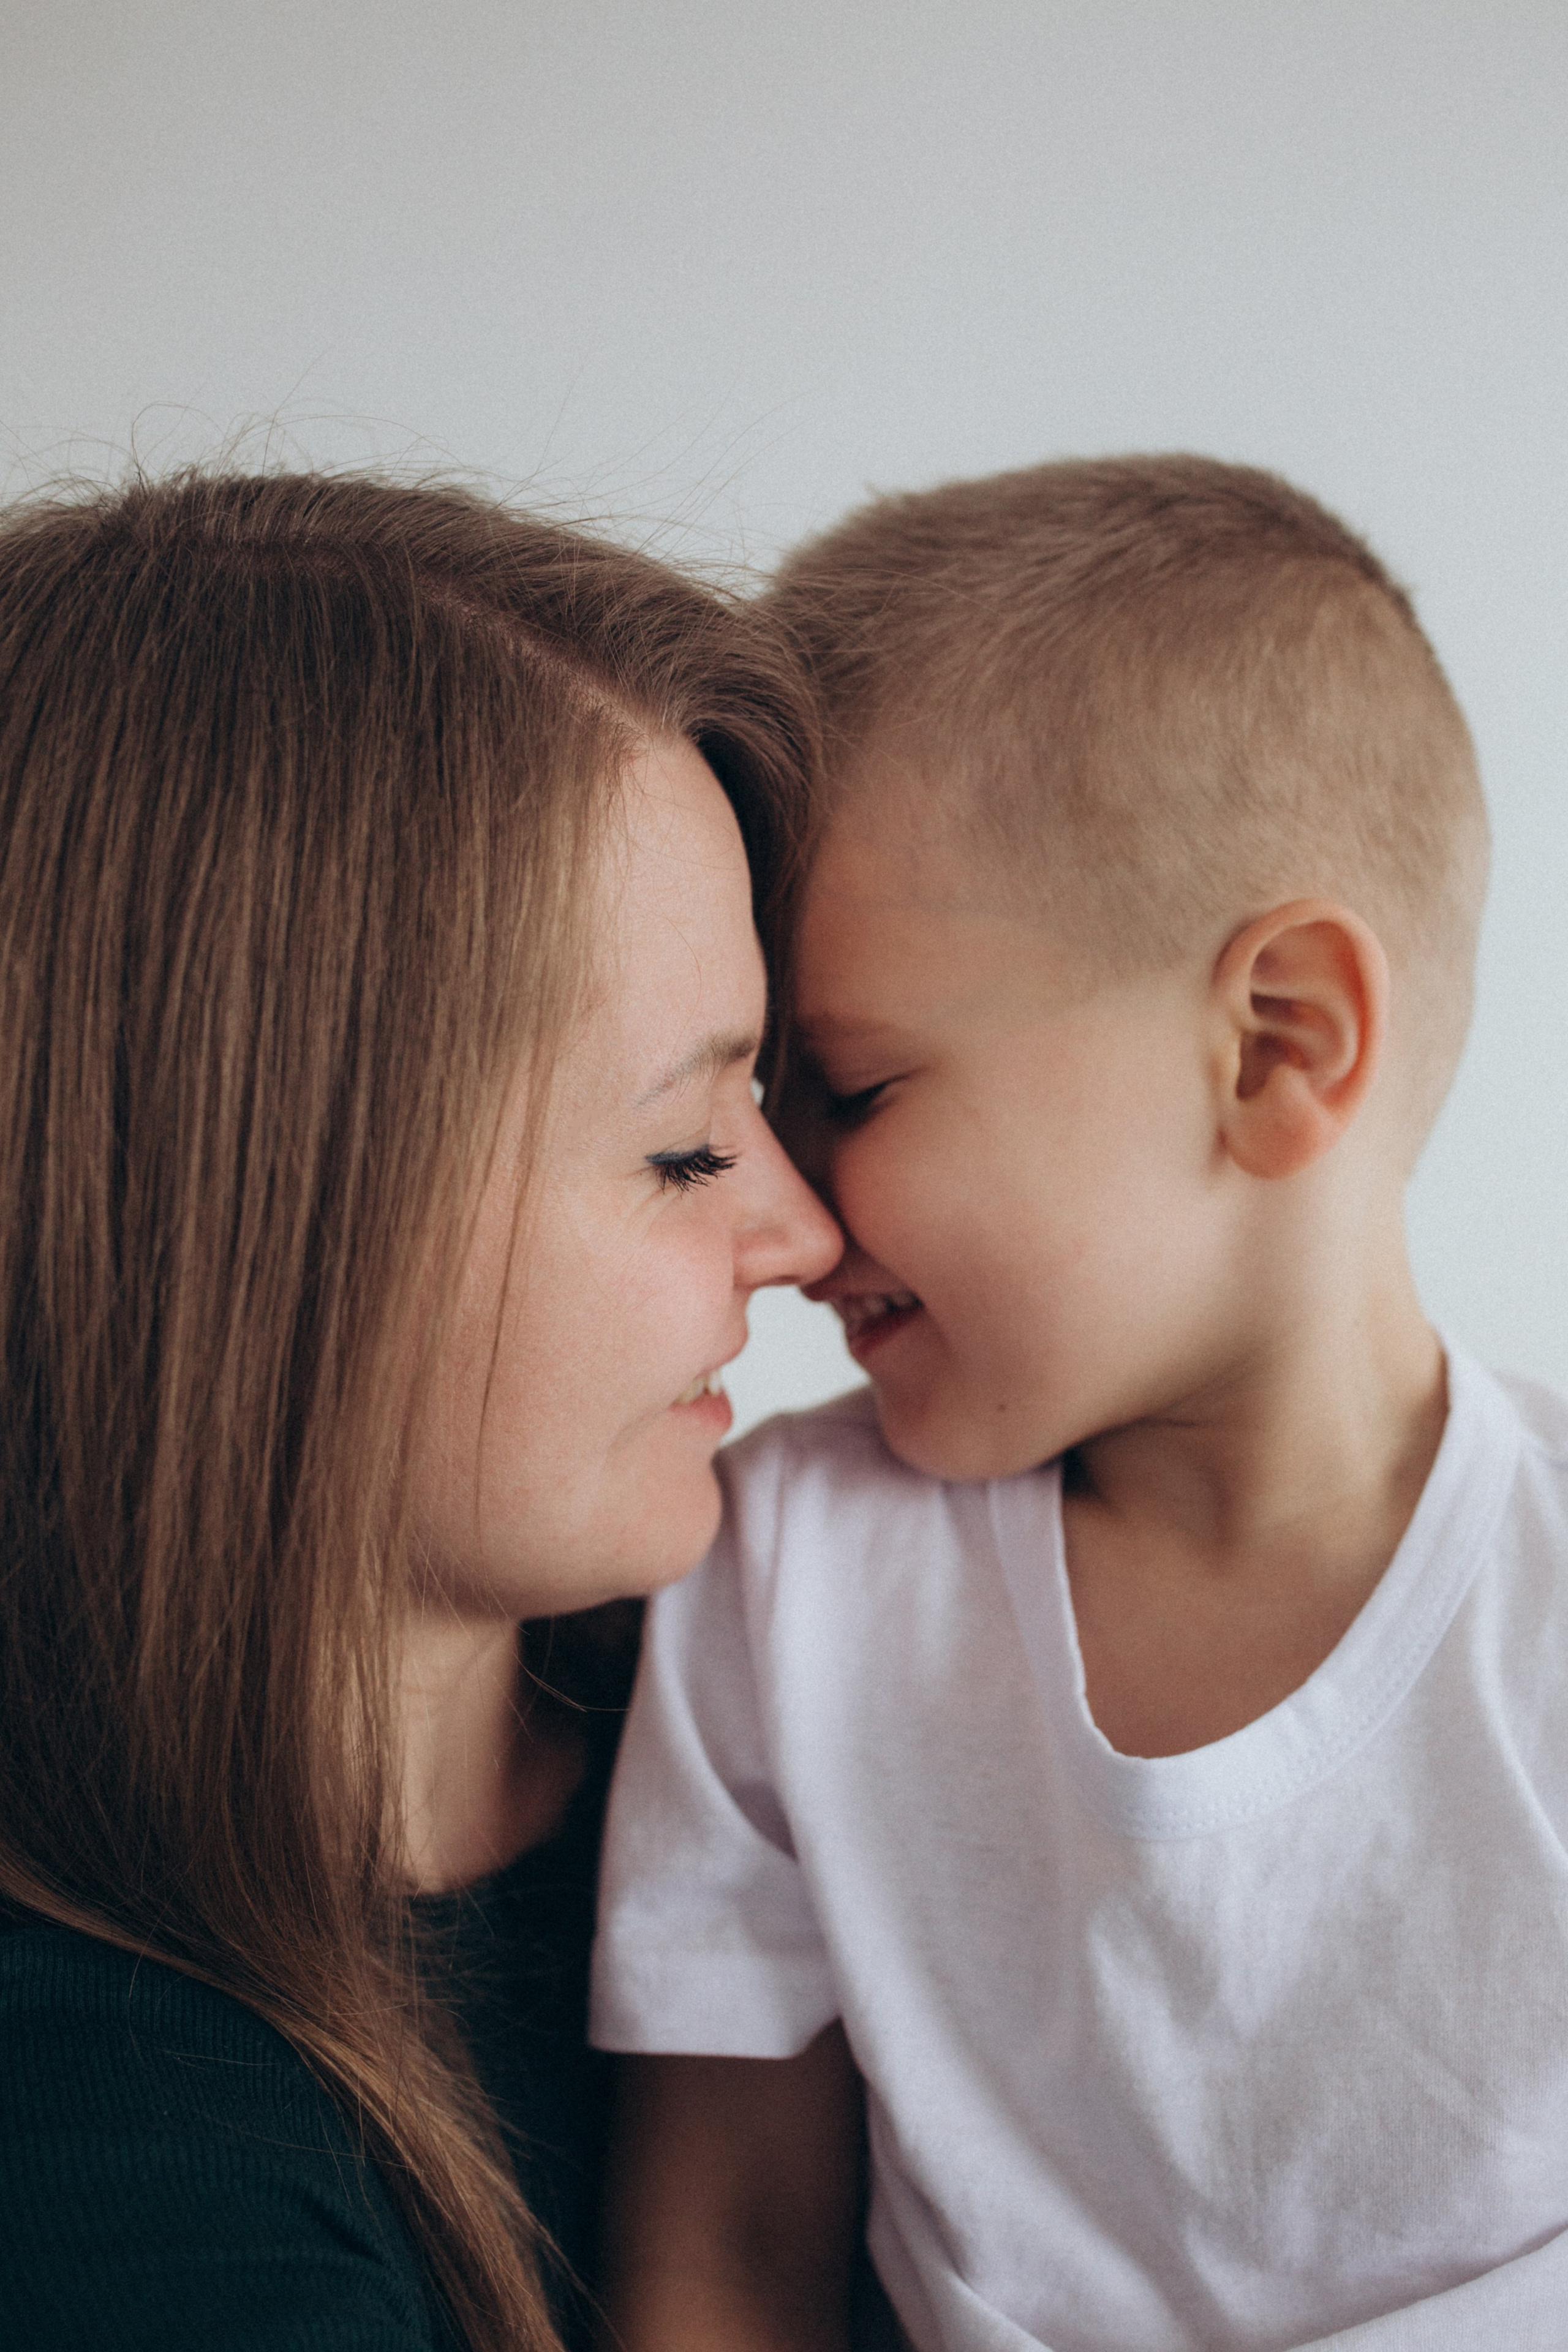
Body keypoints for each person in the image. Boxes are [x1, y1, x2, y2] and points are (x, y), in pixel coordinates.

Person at [590, 456, 1568, 2348]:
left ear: (1278, 1047)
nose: (787, 1211)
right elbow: (722, 2254)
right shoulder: (787, 1573)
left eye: (852, 1088)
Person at [0, 466, 840, 2351]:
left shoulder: (834, 1734)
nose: (806, 1230)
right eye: (692, 1143)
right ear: (252, 1205)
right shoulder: (86, 2172)